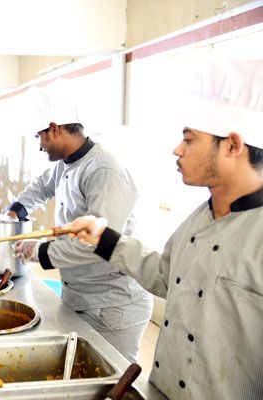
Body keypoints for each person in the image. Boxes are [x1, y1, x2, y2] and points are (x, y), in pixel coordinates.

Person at [69, 60, 263, 399]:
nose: (177, 149)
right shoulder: (198, 219)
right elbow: (166, 275)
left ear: (232, 145)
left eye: (189, 139)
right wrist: (104, 238)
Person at [8, 86, 152, 363]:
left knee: (113, 382)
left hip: (112, 303)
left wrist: (40, 251)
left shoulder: (103, 170)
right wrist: (16, 211)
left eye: (40, 137)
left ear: (54, 129)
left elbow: (96, 241)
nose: (39, 145)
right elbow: (42, 186)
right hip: (81, 293)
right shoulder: (67, 163)